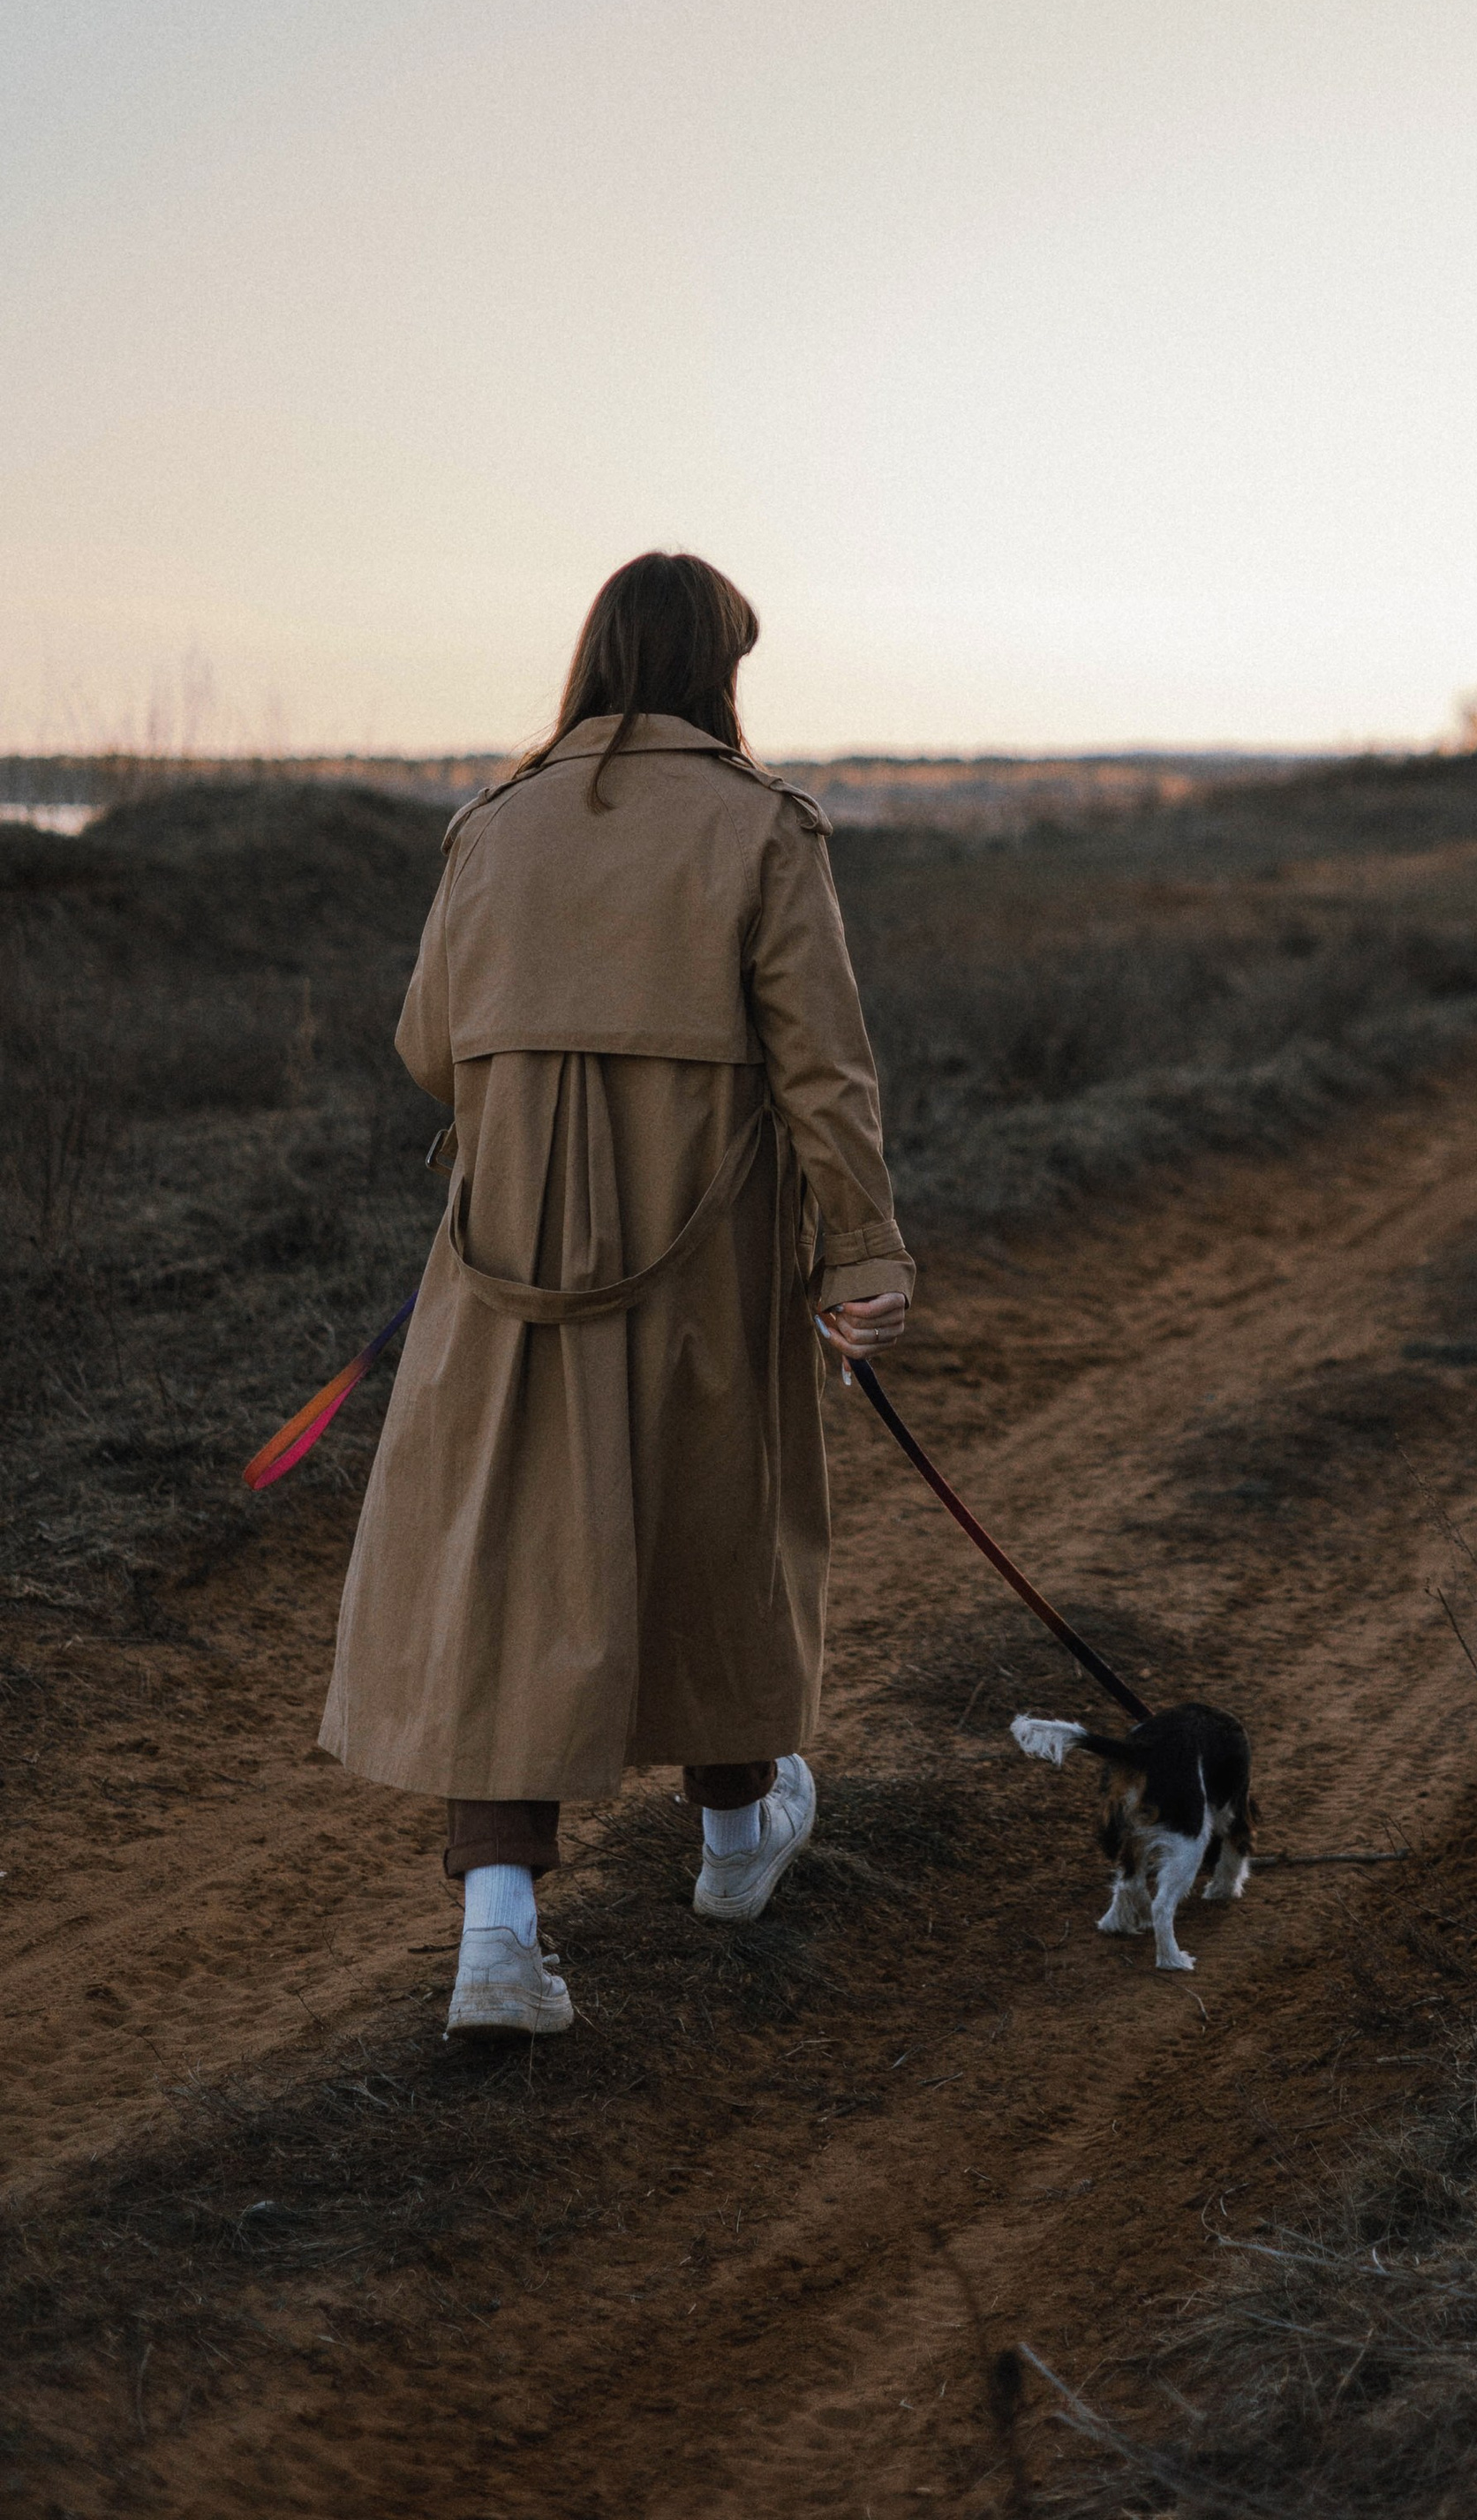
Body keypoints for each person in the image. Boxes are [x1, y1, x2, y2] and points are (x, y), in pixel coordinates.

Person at [319, 552, 913, 2036]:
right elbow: (825, 1072)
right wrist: (861, 1249)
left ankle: (497, 1939)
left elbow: (426, 1049)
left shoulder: (492, 826)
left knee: (508, 1559)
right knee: (712, 1527)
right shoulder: (762, 826)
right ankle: (730, 1845)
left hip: (508, 1262)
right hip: (701, 1253)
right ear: (716, 669)